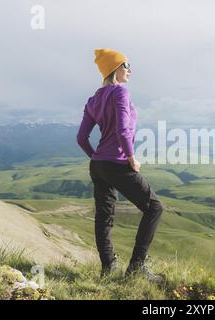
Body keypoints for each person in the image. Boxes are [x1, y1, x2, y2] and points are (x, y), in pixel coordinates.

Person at [77, 48, 164, 283]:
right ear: (115, 69)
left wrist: (97, 157)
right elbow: (123, 129)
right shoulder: (120, 93)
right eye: (126, 65)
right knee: (154, 208)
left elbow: (81, 138)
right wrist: (131, 156)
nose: (130, 70)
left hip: (99, 166)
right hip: (117, 163)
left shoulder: (93, 100)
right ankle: (136, 267)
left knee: (104, 217)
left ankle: (108, 267)